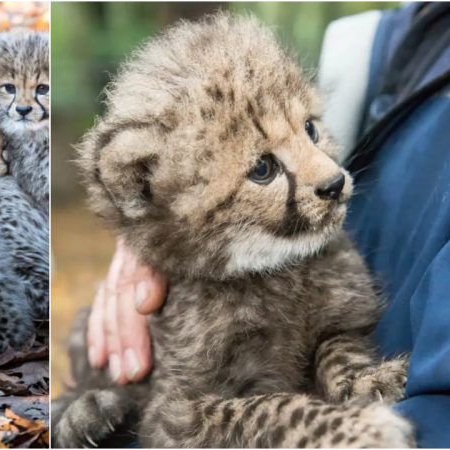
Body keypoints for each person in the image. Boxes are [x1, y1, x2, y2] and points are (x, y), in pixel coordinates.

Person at [85, 2, 450, 446]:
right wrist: (314, 429)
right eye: (262, 168)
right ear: (147, 189)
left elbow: (337, 332)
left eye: (311, 131)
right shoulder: (379, 44)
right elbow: (180, 420)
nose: (329, 173)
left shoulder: (327, 255)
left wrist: (349, 376)